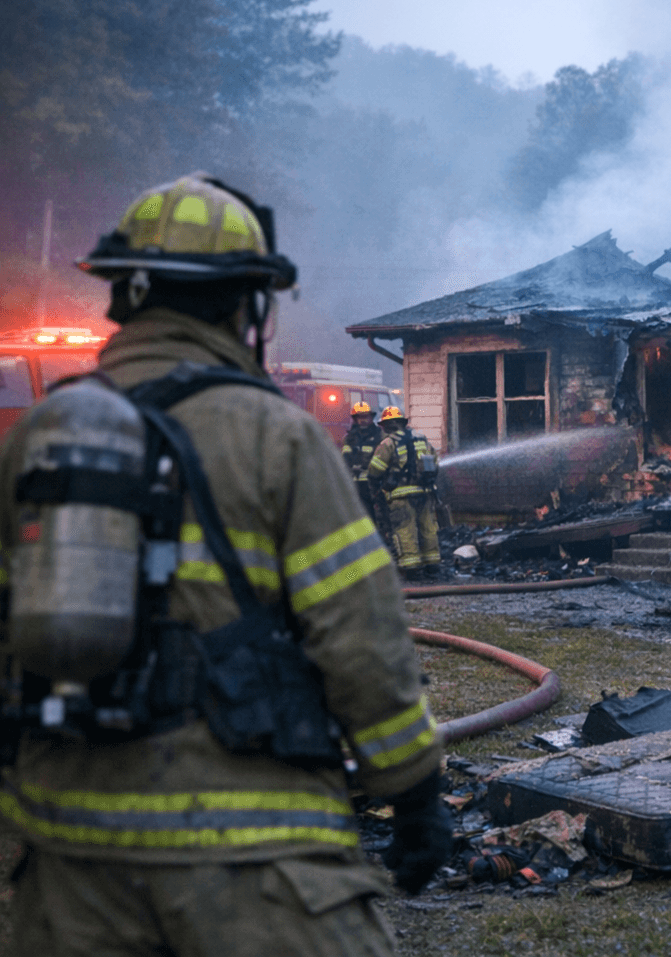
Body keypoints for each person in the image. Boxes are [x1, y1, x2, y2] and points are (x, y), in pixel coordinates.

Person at [0, 173, 451, 956]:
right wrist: (412, 790)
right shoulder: (277, 438)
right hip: (250, 855)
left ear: (121, 299)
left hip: (67, 863)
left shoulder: (40, 440)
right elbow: (361, 637)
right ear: (247, 303)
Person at [368, 406, 441, 579]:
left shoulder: (388, 443)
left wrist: (376, 488)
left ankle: (412, 570)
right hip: (425, 493)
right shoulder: (421, 438)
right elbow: (435, 464)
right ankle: (432, 568)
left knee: (405, 531)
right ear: (402, 422)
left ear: (386, 425)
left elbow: (375, 470)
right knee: (428, 529)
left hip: (400, 497)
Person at [342, 400, 388, 532]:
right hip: (356, 485)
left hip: (375, 483)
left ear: (371, 418)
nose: (363, 420)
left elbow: (385, 457)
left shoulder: (380, 435)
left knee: (381, 516)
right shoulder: (349, 438)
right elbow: (345, 458)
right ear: (355, 419)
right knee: (360, 517)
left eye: (366, 417)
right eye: (360, 417)